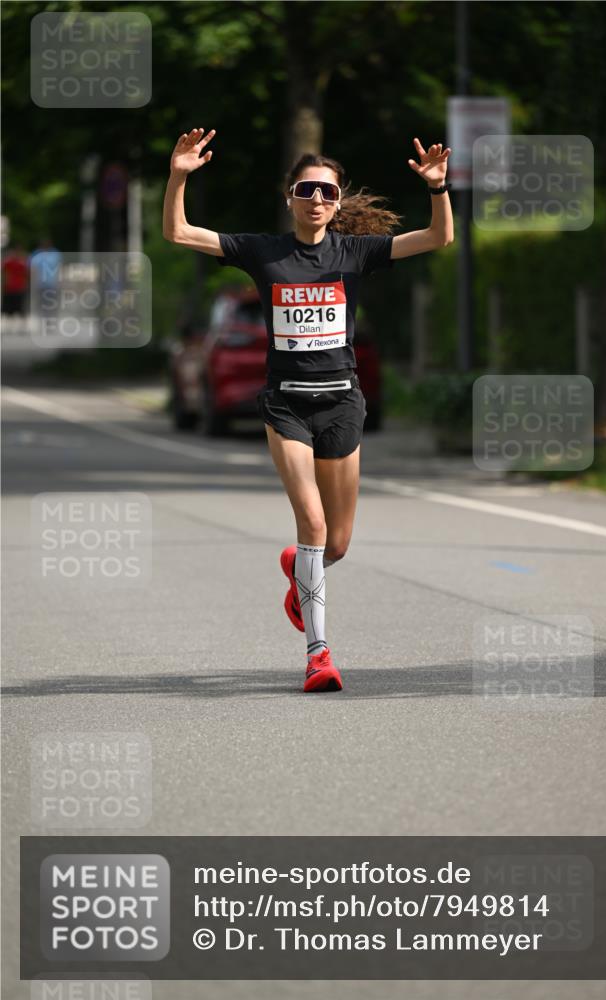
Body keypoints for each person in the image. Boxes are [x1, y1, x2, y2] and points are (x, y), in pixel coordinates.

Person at [163, 128, 454, 693]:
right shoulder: (262, 252)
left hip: (342, 403)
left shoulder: (356, 253)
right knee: (314, 522)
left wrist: (439, 189)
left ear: (337, 201)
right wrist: (179, 176)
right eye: (306, 190)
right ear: (289, 198)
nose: (316, 199)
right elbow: (177, 231)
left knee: (336, 543)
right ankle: (318, 655)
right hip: (287, 405)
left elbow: (438, 239)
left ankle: (302, 569)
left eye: (326, 191)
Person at [1, 243, 29, 315]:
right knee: (8, 309)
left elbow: (26, 274)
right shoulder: (9, 261)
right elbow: (4, 273)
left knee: (19, 309)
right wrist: (4, 283)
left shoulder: (23, 262)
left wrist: (25, 284)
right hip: (10, 287)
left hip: (19, 287)